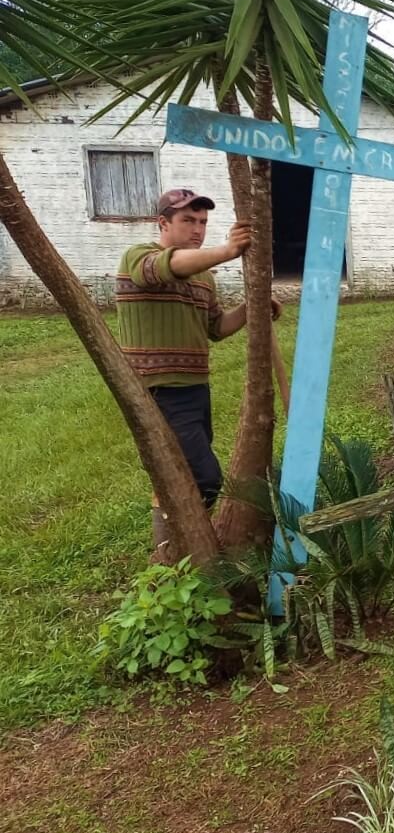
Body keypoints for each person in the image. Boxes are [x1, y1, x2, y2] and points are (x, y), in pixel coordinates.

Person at [117, 187, 279, 558]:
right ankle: (177, 551)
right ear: (163, 223)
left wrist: (252, 306)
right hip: (158, 389)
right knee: (205, 479)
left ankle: (172, 554)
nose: (197, 229)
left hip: (195, 388)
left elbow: (216, 327)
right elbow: (164, 269)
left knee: (180, 473)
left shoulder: (204, 277)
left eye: (203, 222)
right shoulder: (139, 256)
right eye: (188, 220)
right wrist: (227, 251)